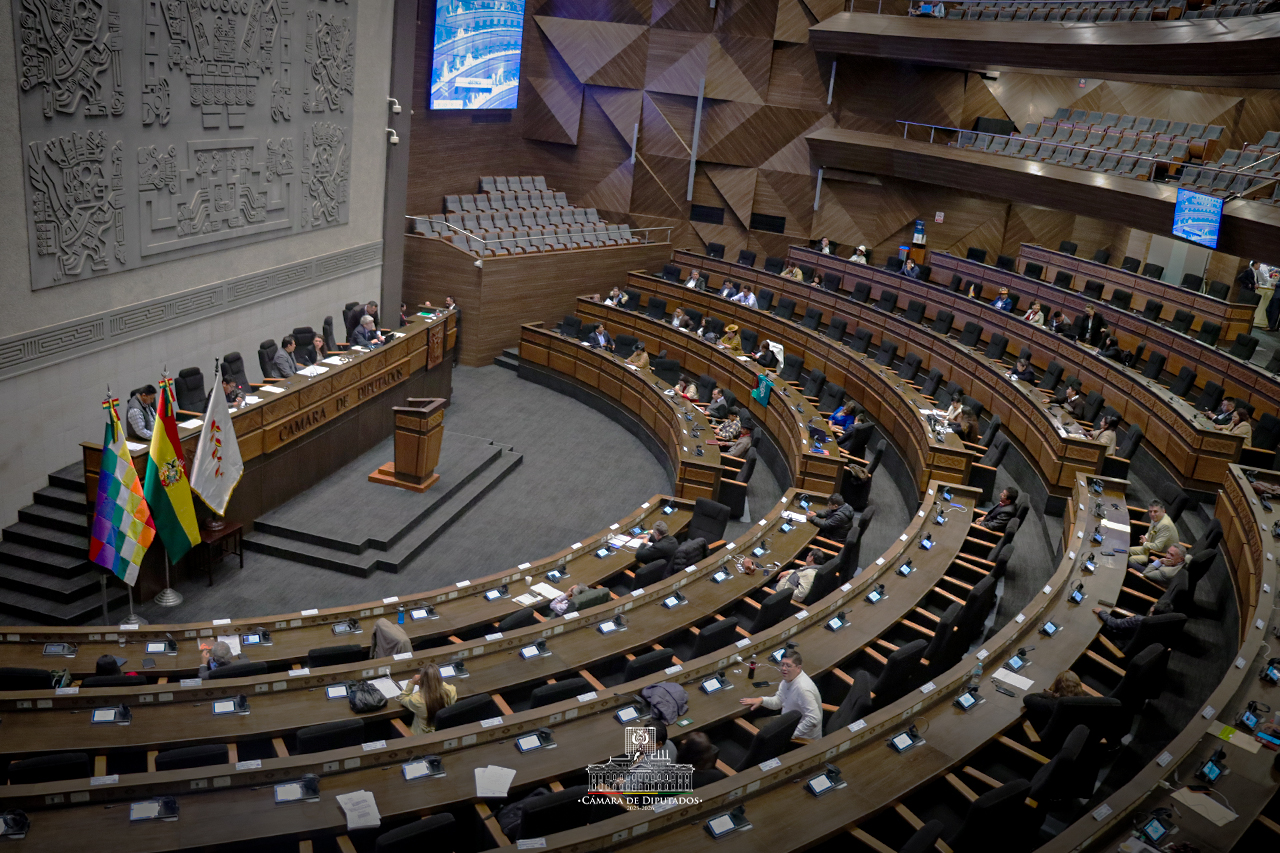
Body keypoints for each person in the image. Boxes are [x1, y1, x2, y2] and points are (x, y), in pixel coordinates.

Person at [739, 649, 822, 739]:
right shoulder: (788, 679)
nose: (783, 669)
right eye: (782, 664)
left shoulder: (803, 689)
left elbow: (814, 719)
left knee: (759, 733)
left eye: (788, 666)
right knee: (756, 723)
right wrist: (762, 700)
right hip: (788, 720)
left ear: (798, 668)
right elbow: (778, 702)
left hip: (803, 737)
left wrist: (790, 734)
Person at [398, 663, 457, 735]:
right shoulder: (451, 691)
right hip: (442, 732)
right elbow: (443, 685)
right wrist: (434, 679)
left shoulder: (417, 700)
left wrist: (412, 682)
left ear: (422, 680)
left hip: (420, 737)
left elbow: (403, 698)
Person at [1023, 670, 1087, 731]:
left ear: (1058, 687)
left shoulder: (1056, 704)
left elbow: (1028, 698)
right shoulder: (1081, 703)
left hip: (1038, 736)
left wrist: (1048, 694)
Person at [1093, 599, 1174, 644]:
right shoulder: (1162, 625)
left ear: (1152, 608)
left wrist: (1101, 612)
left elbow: (1114, 624)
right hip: (1132, 639)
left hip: (1117, 640)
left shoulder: (1140, 621)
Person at [1128, 498, 1179, 568]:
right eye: (1150, 511)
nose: (1152, 514)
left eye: (1155, 511)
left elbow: (1158, 547)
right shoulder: (1156, 518)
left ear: (1163, 511)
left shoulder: (1165, 525)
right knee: (1128, 551)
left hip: (1159, 555)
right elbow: (1150, 532)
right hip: (1150, 549)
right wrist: (1145, 538)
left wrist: (1145, 543)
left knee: (1132, 559)